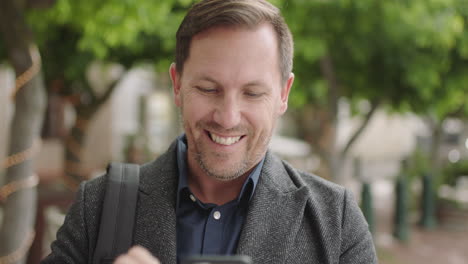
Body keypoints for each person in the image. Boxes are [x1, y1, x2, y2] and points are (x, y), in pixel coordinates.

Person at [42, 0, 377, 263]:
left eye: (252, 93)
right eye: (208, 88)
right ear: (177, 84)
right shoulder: (98, 207)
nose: (228, 117)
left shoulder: (338, 220)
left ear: (283, 95)